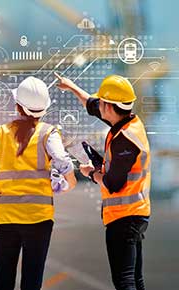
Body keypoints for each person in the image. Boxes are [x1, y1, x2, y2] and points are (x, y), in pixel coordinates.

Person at [0, 76, 77, 290]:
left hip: (6, 217)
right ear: (44, 109)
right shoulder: (48, 133)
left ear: (17, 106)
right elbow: (62, 160)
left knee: (3, 280)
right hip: (38, 218)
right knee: (32, 281)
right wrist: (70, 183)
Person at [55, 73, 151, 290]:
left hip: (124, 218)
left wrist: (90, 172)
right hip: (136, 213)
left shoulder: (125, 140)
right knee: (135, 280)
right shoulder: (128, 122)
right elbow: (91, 105)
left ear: (109, 106)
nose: (99, 106)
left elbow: (113, 183)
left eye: (102, 103)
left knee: (124, 281)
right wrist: (71, 87)